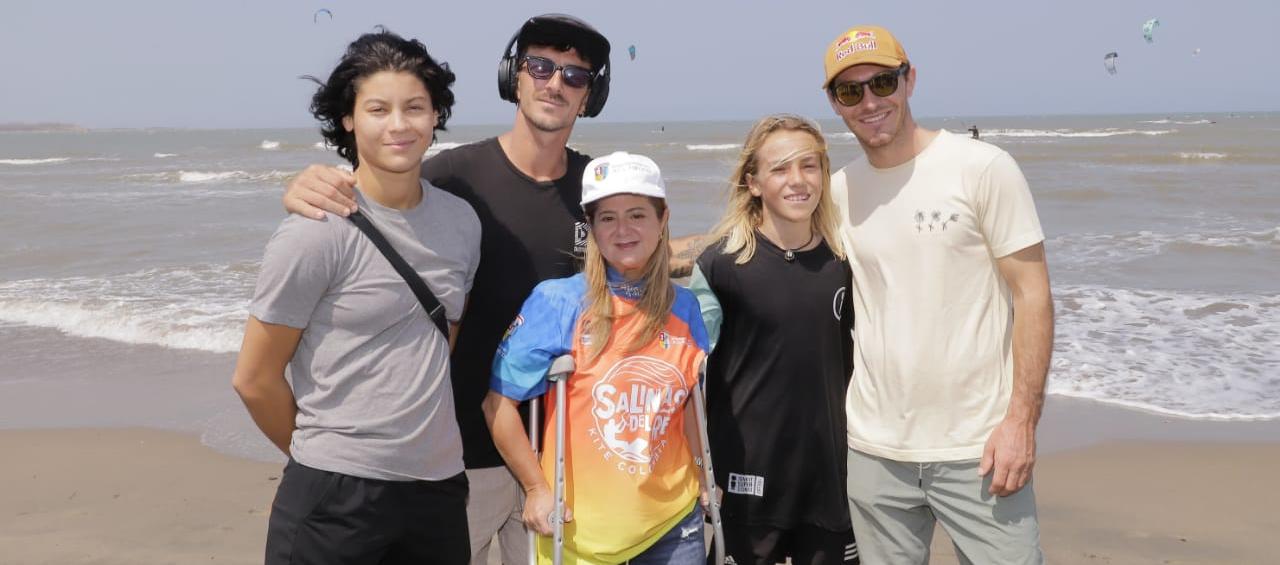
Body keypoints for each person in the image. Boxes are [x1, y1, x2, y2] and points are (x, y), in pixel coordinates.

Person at [281, 14, 615, 564]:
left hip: (566, 455)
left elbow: (646, 255)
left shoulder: (600, 189)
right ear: (515, 74)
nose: (555, 83)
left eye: (576, 75)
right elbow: (371, 204)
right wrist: (306, 184)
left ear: (591, 95)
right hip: (456, 457)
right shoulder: (451, 178)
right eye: (540, 66)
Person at [231, 29, 479, 564]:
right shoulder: (315, 229)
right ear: (348, 119)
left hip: (438, 488)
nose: (399, 124)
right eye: (377, 108)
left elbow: (440, 343)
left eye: (415, 106)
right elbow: (253, 379)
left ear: (436, 115)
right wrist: (328, 459)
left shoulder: (462, 223)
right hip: (334, 497)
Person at [822, 25, 1054, 563]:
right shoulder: (837, 192)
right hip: (875, 452)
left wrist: (1021, 422)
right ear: (834, 103)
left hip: (980, 449)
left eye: (882, 82)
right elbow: (765, 241)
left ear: (910, 80)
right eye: (850, 91)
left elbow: (1033, 296)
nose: (870, 102)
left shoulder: (982, 168)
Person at [483, 152, 712, 564]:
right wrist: (536, 488)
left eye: (637, 215)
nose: (622, 230)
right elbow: (498, 405)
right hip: (579, 532)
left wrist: (701, 472)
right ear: (592, 229)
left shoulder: (686, 308)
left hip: (674, 525)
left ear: (663, 221)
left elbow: (689, 406)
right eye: (607, 218)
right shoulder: (558, 302)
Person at [688, 114, 859, 565]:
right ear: (754, 182)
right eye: (780, 168)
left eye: (809, 166)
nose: (798, 180)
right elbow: (685, 377)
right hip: (747, 482)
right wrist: (698, 468)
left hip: (828, 483)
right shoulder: (722, 266)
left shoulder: (842, 261)